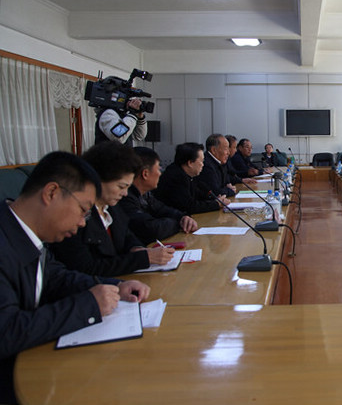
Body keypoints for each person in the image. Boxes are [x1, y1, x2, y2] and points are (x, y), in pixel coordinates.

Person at [0, 151, 150, 404]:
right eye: (83, 210)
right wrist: (89, 305)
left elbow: (55, 276)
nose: (82, 223)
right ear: (51, 193)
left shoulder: (25, 234)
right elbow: (6, 331)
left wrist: (115, 286)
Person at [50, 142, 175, 276]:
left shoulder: (112, 208)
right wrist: (141, 259)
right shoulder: (75, 218)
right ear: (97, 179)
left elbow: (126, 235)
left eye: (127, 187)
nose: (125, 194)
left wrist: (136, 248)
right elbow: (86, 268)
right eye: (121, 187)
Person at [118, 147, 198, 245]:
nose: (160, 174)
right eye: (158, 169)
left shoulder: (146, 194)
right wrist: (179, 224)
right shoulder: (124, 197)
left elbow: (162, 209)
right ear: (145, 174)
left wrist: (183, 217)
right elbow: (150, 229)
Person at [156, 142, 229, 214]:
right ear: (190, 163)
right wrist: (216, 204)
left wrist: (215, 199)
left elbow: (199, 195)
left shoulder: (189, 175)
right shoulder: (176, 177)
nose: (203, 165)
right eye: (201, 161)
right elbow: (189, 206)